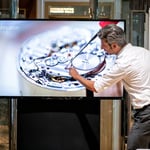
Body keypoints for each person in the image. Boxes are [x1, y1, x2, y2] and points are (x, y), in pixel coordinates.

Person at [68, 24, 150, 150]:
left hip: (146, 113)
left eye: (104, 45)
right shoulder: (143, 52)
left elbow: (96, 87)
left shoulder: (123, 63)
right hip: (145, 112)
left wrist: (76, 76)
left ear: (114, 45)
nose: (101, 48)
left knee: (133, 147)